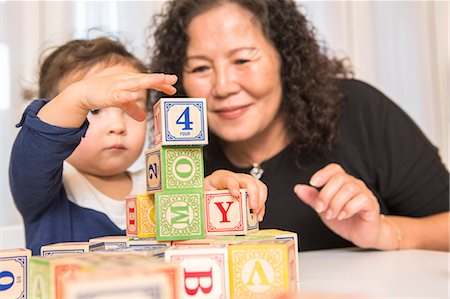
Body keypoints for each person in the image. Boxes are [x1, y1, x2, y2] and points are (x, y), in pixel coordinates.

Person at [148, 0, 449, 251]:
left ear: (286, 58)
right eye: (200, 67)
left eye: (242, 60)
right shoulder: (177, 162)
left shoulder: (359, 110)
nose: (223, 86)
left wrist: (383, 232)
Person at [9, 37, 267, 255]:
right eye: (94, 109)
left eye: (132, 108)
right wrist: (78, 97)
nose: (117, 126)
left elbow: (192, 234)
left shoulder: (159, 182)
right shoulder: (44, 189)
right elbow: (37, 146)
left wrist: (210, 191)